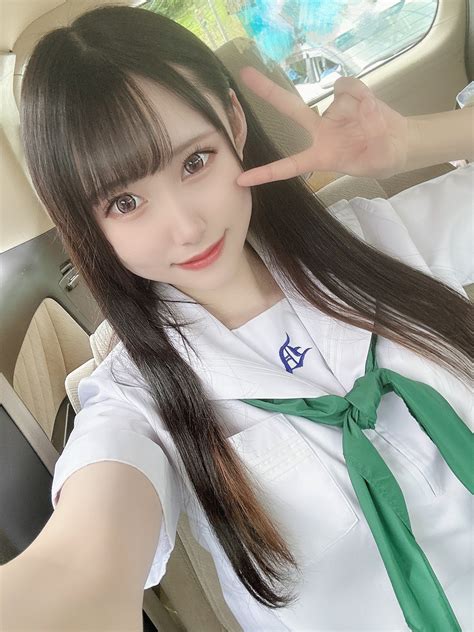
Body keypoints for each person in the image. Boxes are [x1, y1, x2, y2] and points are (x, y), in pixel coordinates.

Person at [1, 4, 472, 631]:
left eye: (195, 162)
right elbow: (80, 566)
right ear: (86, 222)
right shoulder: (136, 402)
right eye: (125, 201)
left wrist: (414, 142)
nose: (186, 226)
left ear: (233, 121)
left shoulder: (380, 240)